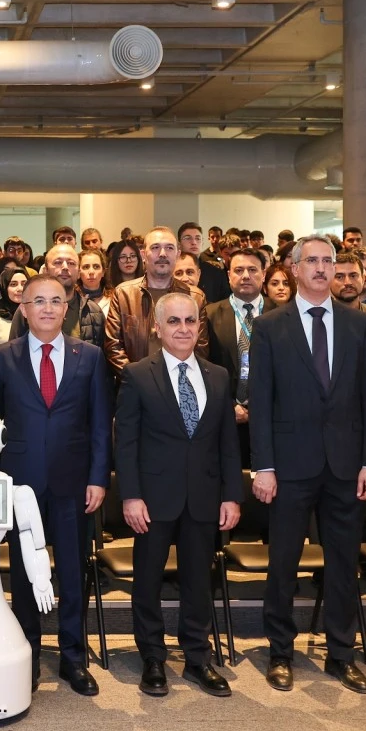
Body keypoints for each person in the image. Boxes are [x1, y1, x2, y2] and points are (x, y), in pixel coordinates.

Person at [248, 235, 366, 695]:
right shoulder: (269, 326)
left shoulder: (358, 324)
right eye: (313, 261)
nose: (322, 268)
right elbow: (260, 402)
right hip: (289, 465)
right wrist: (263, 466)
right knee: (283, 563)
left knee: (343, 564)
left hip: (347, 465)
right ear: (294, 268)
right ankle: (280, 652)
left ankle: (341, 654)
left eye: (329, 261)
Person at [0, 273, 111, 696]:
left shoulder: (89, 356)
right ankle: (29, 655)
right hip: (20, 484)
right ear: (23, 309)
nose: (47, 308)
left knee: (73, 573)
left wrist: (98, 478)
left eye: (56, 300)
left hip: (74, 483)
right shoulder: (3, 357)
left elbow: (100, 424)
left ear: (66, 307)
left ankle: (73, 657)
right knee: (24, 574)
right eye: (38, 301)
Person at [116, 292, 242, 697]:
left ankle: (197, 658)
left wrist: (232, 495)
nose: (183, 328)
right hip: (153, 499)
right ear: (157, 327)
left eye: (190, 321)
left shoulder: (218, 376)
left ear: (199, 326)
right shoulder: (137, 374)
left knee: (199, 582)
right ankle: (152, 658)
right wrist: (131, 496)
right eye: (174, 321)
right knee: (147, 580)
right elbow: (126, 443)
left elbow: (227, 443)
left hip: (205, 496)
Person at [105, 227, 208, 378]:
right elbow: (113, 346)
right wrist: (138, 379)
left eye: (169, 248)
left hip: (180, 382)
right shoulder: (123, 294)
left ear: (177, 254)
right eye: (155, 248)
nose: (162, 254)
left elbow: (201, 348)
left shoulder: (195, 297)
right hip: (135, 383)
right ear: (143, 255)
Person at [204, 247, 272, 469]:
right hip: (225, 419)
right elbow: (204, 366)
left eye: (252, 270)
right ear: (228, 275)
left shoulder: (282, 313)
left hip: (270, 420)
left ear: (264, 274)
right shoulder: (209, 314)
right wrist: (228, 405)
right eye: (238, 270)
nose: (245, 276)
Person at [9, 244, 105, 348]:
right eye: (58, 262)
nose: (65, 267)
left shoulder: (93, 311)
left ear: (78, 273)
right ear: (45, 270)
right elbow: (14, 351)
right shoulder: (28, 307)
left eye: (71, 263)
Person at [331, 251, 366, 337]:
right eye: (339, 277)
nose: (348, 282)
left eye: (353, 276)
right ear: (329, 280)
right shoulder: (318, 317)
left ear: (363, 279)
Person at [179, 222, 231, 303]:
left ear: (202, 242)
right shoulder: (171, 270)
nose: (194, 242)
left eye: (198, 238)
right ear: (179, 244)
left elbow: (224, 304)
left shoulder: (217, 273)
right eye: (188, 238)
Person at [78, 248, 113, 317]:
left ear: (103, 272)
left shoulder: (114, 299)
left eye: (96, 267)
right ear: (78, 272)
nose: (91, 272)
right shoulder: (72, 299)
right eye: (86, 267)